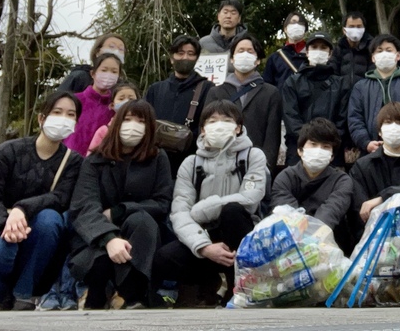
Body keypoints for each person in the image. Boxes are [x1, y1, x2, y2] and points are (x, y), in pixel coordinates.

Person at [0, 91, 83, 311]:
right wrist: (6, 223)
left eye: (71, 114)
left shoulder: (73, 162)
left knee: (51, 218)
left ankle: (23, 296)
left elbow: (61, 198)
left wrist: (22, 209)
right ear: (41, 118)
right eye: (57, 112)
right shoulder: (9, 151)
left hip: (40, 238)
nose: (64, 118)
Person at [152, 100, 267, 307]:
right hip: (204, 235)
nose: (219, 125)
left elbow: (250, 199)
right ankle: (205, 287)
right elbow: (179, 212)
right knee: (164, 258)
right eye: (213, 121)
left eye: (226, 120)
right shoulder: (191, 163)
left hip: (241, 234)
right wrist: (203, 247)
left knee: (232, 211)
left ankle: (240, 289)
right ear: (203, 129)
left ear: (238, 127)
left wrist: (202, 209)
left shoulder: (253, 156)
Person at [69, 100, 173, 310]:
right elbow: (84, 207)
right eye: (127, 119)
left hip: (142, 235)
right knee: (100, 261)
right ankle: (107, 295)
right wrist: (109, 239)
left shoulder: (158, 157)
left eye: (140, 121)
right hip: (96, 238)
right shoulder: (94, 161)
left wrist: (119, 211)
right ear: (116, 123)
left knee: (142, 220)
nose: (133, 125)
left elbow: (162, 202)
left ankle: (131, 294)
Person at [203, 34, 283, 172]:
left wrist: (266, 168)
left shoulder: (271, 92)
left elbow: (272, 138)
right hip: (220, 164)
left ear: (258, 60)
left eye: (250, 51)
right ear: (232, 59)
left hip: (256, 164)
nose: (245, 54)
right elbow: (206, 130)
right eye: (240, 51)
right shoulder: (215, 92)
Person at [271, 118, 355, 233]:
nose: (318, 151)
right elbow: (288, 215)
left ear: (331, 156)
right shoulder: (285, 177)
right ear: (300, 150)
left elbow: (331, 212)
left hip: (330, 241)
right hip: (291, 239)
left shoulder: (342, 181)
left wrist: (313, 236)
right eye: (313, 144)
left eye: (325, 147)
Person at [144, 35, 212, 177]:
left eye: (190, 53)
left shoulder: (208, 88)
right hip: (155, 160)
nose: (185, 57)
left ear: (197, 59)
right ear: (171, 58)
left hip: (192, 162)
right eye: (180, 53)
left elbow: (209, 125)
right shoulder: (156, 89)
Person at [282, 32, 352, 168]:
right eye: (314, 47)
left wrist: (325, 145)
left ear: (330, 53)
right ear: (307, 52)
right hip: (299, 151)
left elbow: (342, 121)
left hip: (332, 152)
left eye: (323, 48)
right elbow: (291, 118)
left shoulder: (342, 84)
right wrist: (309, 144)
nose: (318, 51)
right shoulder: (292, 82)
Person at [348, 102, 400, 224]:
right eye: (388, 122)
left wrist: (383, 197)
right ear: (379, 131)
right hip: (373, 235)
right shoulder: (362, 166)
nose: (394, 127)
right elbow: (359, 211)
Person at [348, 34, 400, 154]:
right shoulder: (360, 87)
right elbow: (355, 118)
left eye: (389, 50)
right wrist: (366, 142)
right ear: (373, 58)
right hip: (370, 151)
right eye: (379, 51)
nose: (384, 54)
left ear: (398, 56)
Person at [65, 52, 123, 156]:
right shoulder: (74, 100)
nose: (108, 75)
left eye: (114, 72)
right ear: (93, 74)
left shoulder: (116, 107)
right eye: (104, 70)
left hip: (98, 166)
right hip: (68, 162)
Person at [58, 34, 126, 95]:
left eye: (121, 49)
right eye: (111, 46)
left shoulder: (122, 86)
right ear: (97, 51)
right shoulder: (79, 77)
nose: (116, 51)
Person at [199, 0, 248, 78]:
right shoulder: (203, 43)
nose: (228, 16)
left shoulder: (247, 43)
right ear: (218, 16)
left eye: (233, 13)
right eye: (225, 12)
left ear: (239, 19)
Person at [87, 82, 141, 153]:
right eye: (121, 99)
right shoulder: (104, 131)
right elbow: (90, 158)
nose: (127, 102)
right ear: (112, 105)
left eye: (131, 99)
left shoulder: (143, 129)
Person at [262, 12, 309, 88]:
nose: (296, 25)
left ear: (305, 30)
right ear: (285, 29)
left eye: (300, 23)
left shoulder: (313, 55)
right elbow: (267, 87)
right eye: (293, 22)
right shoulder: (275, 58)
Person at [335, 11, 373, 85]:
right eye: (351, 26)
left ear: (364, 29)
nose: (355, 30)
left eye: (359, 26)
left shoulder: (371, 49)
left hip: (364, 94)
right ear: (344, 30)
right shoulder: (338, 49)